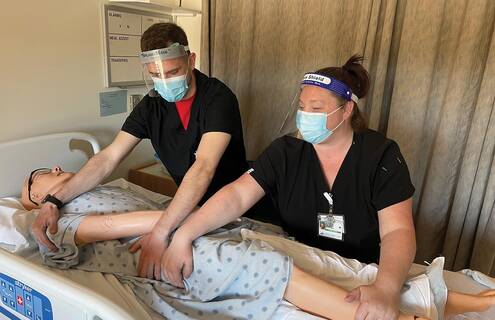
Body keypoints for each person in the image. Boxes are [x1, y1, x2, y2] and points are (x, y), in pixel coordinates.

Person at [20, 166, 495, 320]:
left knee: (303, 257)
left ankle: (455, 298)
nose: (61, 175)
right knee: (264, 267)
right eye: (45, 181)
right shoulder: (57, 220)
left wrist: (188, 223)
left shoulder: (103, 182)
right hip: (171, 249)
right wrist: (177, 230)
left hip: (192, 230)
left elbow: (121, 172)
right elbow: (127, 222)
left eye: (59, 169)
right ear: (37, 201)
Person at [163, 55, 417, 320]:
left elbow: (397, 230)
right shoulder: (285, 152)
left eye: (316, 108)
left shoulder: (381, 156)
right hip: (301, 266)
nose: (305, 116)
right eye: (302, 106)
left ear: (346, 110)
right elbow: (237, 195)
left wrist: (386, 289)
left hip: (361, 272)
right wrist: (183, 234)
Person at [31, 22, 250, 281]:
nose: (164, 82)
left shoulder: (218, 98)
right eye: (156, 75)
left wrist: (160, 233)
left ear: (191, 60)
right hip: (189, 208)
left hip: (233, 204)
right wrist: (53, 201)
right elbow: (108, 158)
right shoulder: (152, 106)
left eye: (172, 72)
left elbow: (203, 166)